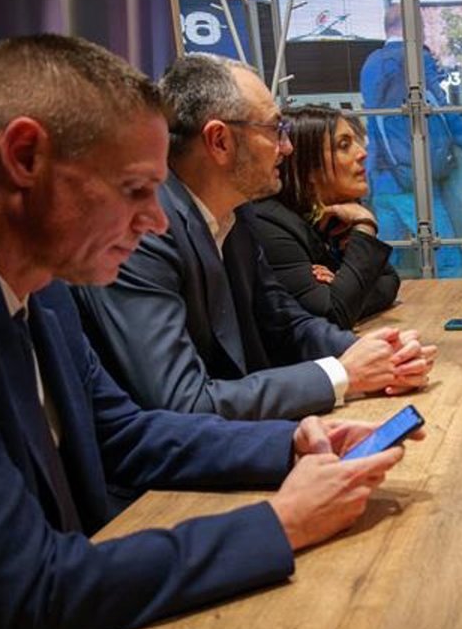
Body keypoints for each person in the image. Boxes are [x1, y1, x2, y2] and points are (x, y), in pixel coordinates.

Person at [0, 34, 418, 629]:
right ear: (24, 157)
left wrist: (289, 444)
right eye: (134, 189)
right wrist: (280, 524)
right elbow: (28, 588)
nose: (156, 220)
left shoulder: (44, 289)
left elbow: (123, 434)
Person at [74, 54, 436, 424]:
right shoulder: (141, 232)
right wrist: (343, 374)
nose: (287, 147)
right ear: (219, 141)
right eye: (276, 129)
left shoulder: (238, 213)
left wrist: (374, 351)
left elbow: (285, 322)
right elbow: (182, 402)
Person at [239, 106, 400, 330]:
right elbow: (333, 314)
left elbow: (389, 282)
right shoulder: (270, 225)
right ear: (309, 167)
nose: (362, 153)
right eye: (344, 145)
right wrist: (365, 225)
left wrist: (344, 290)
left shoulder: (329, 215)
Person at [360, 4, 462, 277]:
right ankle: (455, 302)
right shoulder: (416, 58)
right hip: (413, 175)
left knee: (387, 260)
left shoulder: (370, 63)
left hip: (381, 176)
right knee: (449, 257)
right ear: (416, 27)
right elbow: (439, 106)